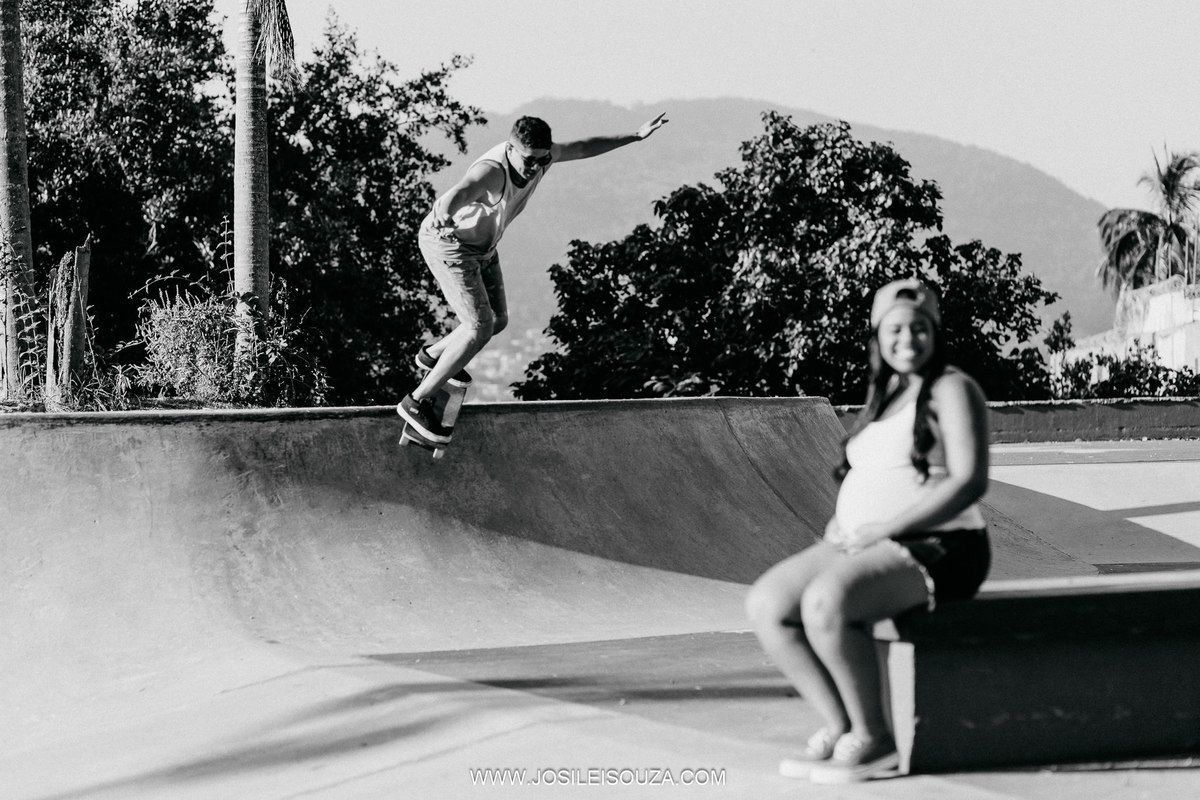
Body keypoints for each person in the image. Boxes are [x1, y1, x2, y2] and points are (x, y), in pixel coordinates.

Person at [744, 278, 991, 785]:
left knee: (825, 604)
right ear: (878, 335)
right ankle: (842, 726)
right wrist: (845, 525)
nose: (908, 338)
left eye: (920, 328)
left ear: (935, 332)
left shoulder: (952, 388)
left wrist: (886, 527)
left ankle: (875, 738)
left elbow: (969, 481)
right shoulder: (888, 396)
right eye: (895, 328)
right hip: (867, 541)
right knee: (767, 604)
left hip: (942, 545)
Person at [398, 112, 669, 441]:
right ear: (511, 149)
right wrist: (443, 214)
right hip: (449, 247)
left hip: (482, 249)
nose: (534, 168)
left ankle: (433, 355)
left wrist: (635, 136)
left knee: (498, 321)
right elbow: (459, 192)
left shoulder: (543, 156)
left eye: (541, 161)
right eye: (528, 161)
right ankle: (416, 401)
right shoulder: (490, 172)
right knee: (479, 327)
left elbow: (583, 147)